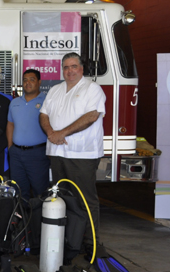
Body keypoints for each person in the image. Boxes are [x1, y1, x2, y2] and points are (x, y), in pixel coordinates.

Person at [39, 52, 106, 240]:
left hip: (82, 155)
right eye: (66, 67)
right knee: (62, 199)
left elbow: (92, 116)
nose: (70, 71)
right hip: (57, 153)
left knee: (85, 200)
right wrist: (51, 133)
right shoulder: (55, 90)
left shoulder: (92, 89)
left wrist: (62, 133)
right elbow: (43, 115)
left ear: (81, 68)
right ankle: (69, 241)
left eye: (73, 66)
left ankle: (91, 243)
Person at [7, 69, 50, 201]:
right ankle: (22, 220)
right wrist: (10, 148)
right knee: (19, 191)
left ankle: (39, 220)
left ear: (39, 82)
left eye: (32, 80)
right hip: (16, 154)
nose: (28, 83)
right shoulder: (14, 103)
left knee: (40, 191)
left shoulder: (47, 101)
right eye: (25, 80)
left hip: (37, 154)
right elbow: (10, 125)